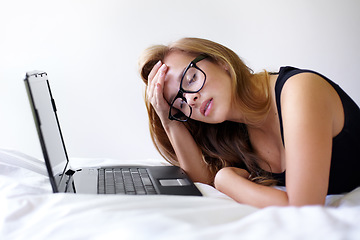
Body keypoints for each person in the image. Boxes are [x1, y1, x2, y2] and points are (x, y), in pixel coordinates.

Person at [138, 37, 360, 208]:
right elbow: (202, 181)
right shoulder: (233, 130)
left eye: (191, 78)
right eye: (180, 104)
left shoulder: (300, 90)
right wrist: (169, 120)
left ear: (221, 61)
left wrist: (226, 180)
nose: (190, 99)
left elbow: (303, 208)